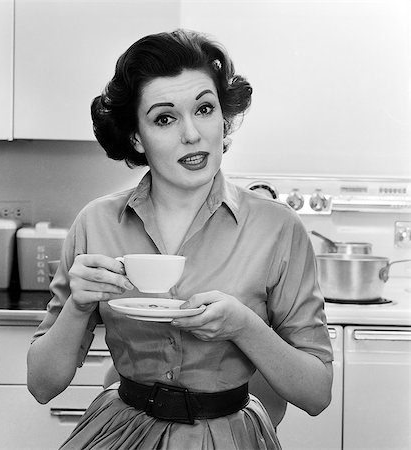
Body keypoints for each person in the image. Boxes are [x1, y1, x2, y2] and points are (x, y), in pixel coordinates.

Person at [27, 29, 333, 450]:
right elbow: (42, 385)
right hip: (120, 432)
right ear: (136, 136)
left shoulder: (278, 229)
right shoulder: (95, 223)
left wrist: (244, 327)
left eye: (204, 109)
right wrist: (78, 307)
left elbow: (317, 394)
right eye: (165, 118)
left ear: (222, 119)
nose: (192, 134)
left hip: (230, 436)